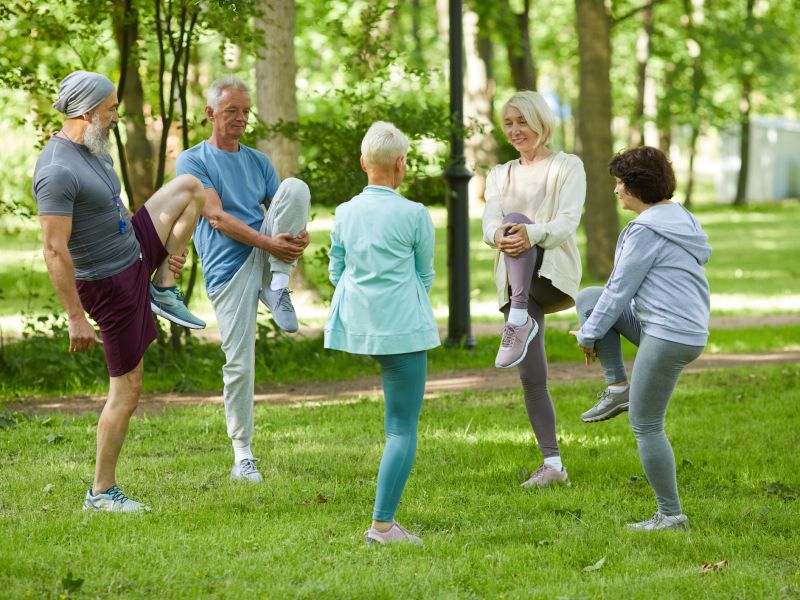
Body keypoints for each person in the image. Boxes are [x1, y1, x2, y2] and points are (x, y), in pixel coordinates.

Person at [33, 70, 207, 512]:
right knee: (128, 389)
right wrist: (75, 317)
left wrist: (163, 248)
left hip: (132, 248)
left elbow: (113, 205)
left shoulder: (93, 149)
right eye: (110, 109)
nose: (115, 116)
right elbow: (54, 251)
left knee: (191, 189)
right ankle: (101, 491)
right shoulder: (56, 170)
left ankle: (164, 288)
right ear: (86, 111)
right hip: (108, 282)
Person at [176, 76, 310, 482]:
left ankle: (279, 287)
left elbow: (283, 206)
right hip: (228, 266)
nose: (240, 118)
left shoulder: (258, 161)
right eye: (231, 110)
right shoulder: (193, 161)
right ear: (210, 113)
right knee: (239, 362)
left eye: (245, 111)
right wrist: (272, 244)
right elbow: (215, 218)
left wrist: (297, 238)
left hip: (266, 254)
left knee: (296, 186)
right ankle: (242, 455)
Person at [571, 146, 711, 531]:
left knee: (646, 424)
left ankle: (671, 515)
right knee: (589, 297)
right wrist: (592, 325)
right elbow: (609, 296)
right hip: (679, 328)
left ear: (636, 186)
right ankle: (618, 387)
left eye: (619, 183)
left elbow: (621, 290)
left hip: (669, 334)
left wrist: (588, 336)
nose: (616, 191)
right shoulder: (678, 217)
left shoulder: (645, 229)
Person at [324, 121, 439, 545]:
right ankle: (383, 527)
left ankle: (384, 526)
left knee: (397, 424)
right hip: (401, 329)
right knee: (401, 429)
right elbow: (424, 276)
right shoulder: (414, 214)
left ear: (362, 163)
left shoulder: (344, 212)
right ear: (401, 165)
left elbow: (337, 269)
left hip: (356, 325)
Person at [482, 91, 586, 488]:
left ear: (541, 122)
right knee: (531, 375)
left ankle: (519, 317)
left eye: (521, 122)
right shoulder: (499, 173)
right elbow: (489, 224)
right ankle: (554, 464)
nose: (514, 131)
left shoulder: (567, 166)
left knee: (515, 219)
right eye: (508, 123)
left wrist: (529, 233)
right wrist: (501, 236)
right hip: (515, 278)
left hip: (552, 272)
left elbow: (566, 223)